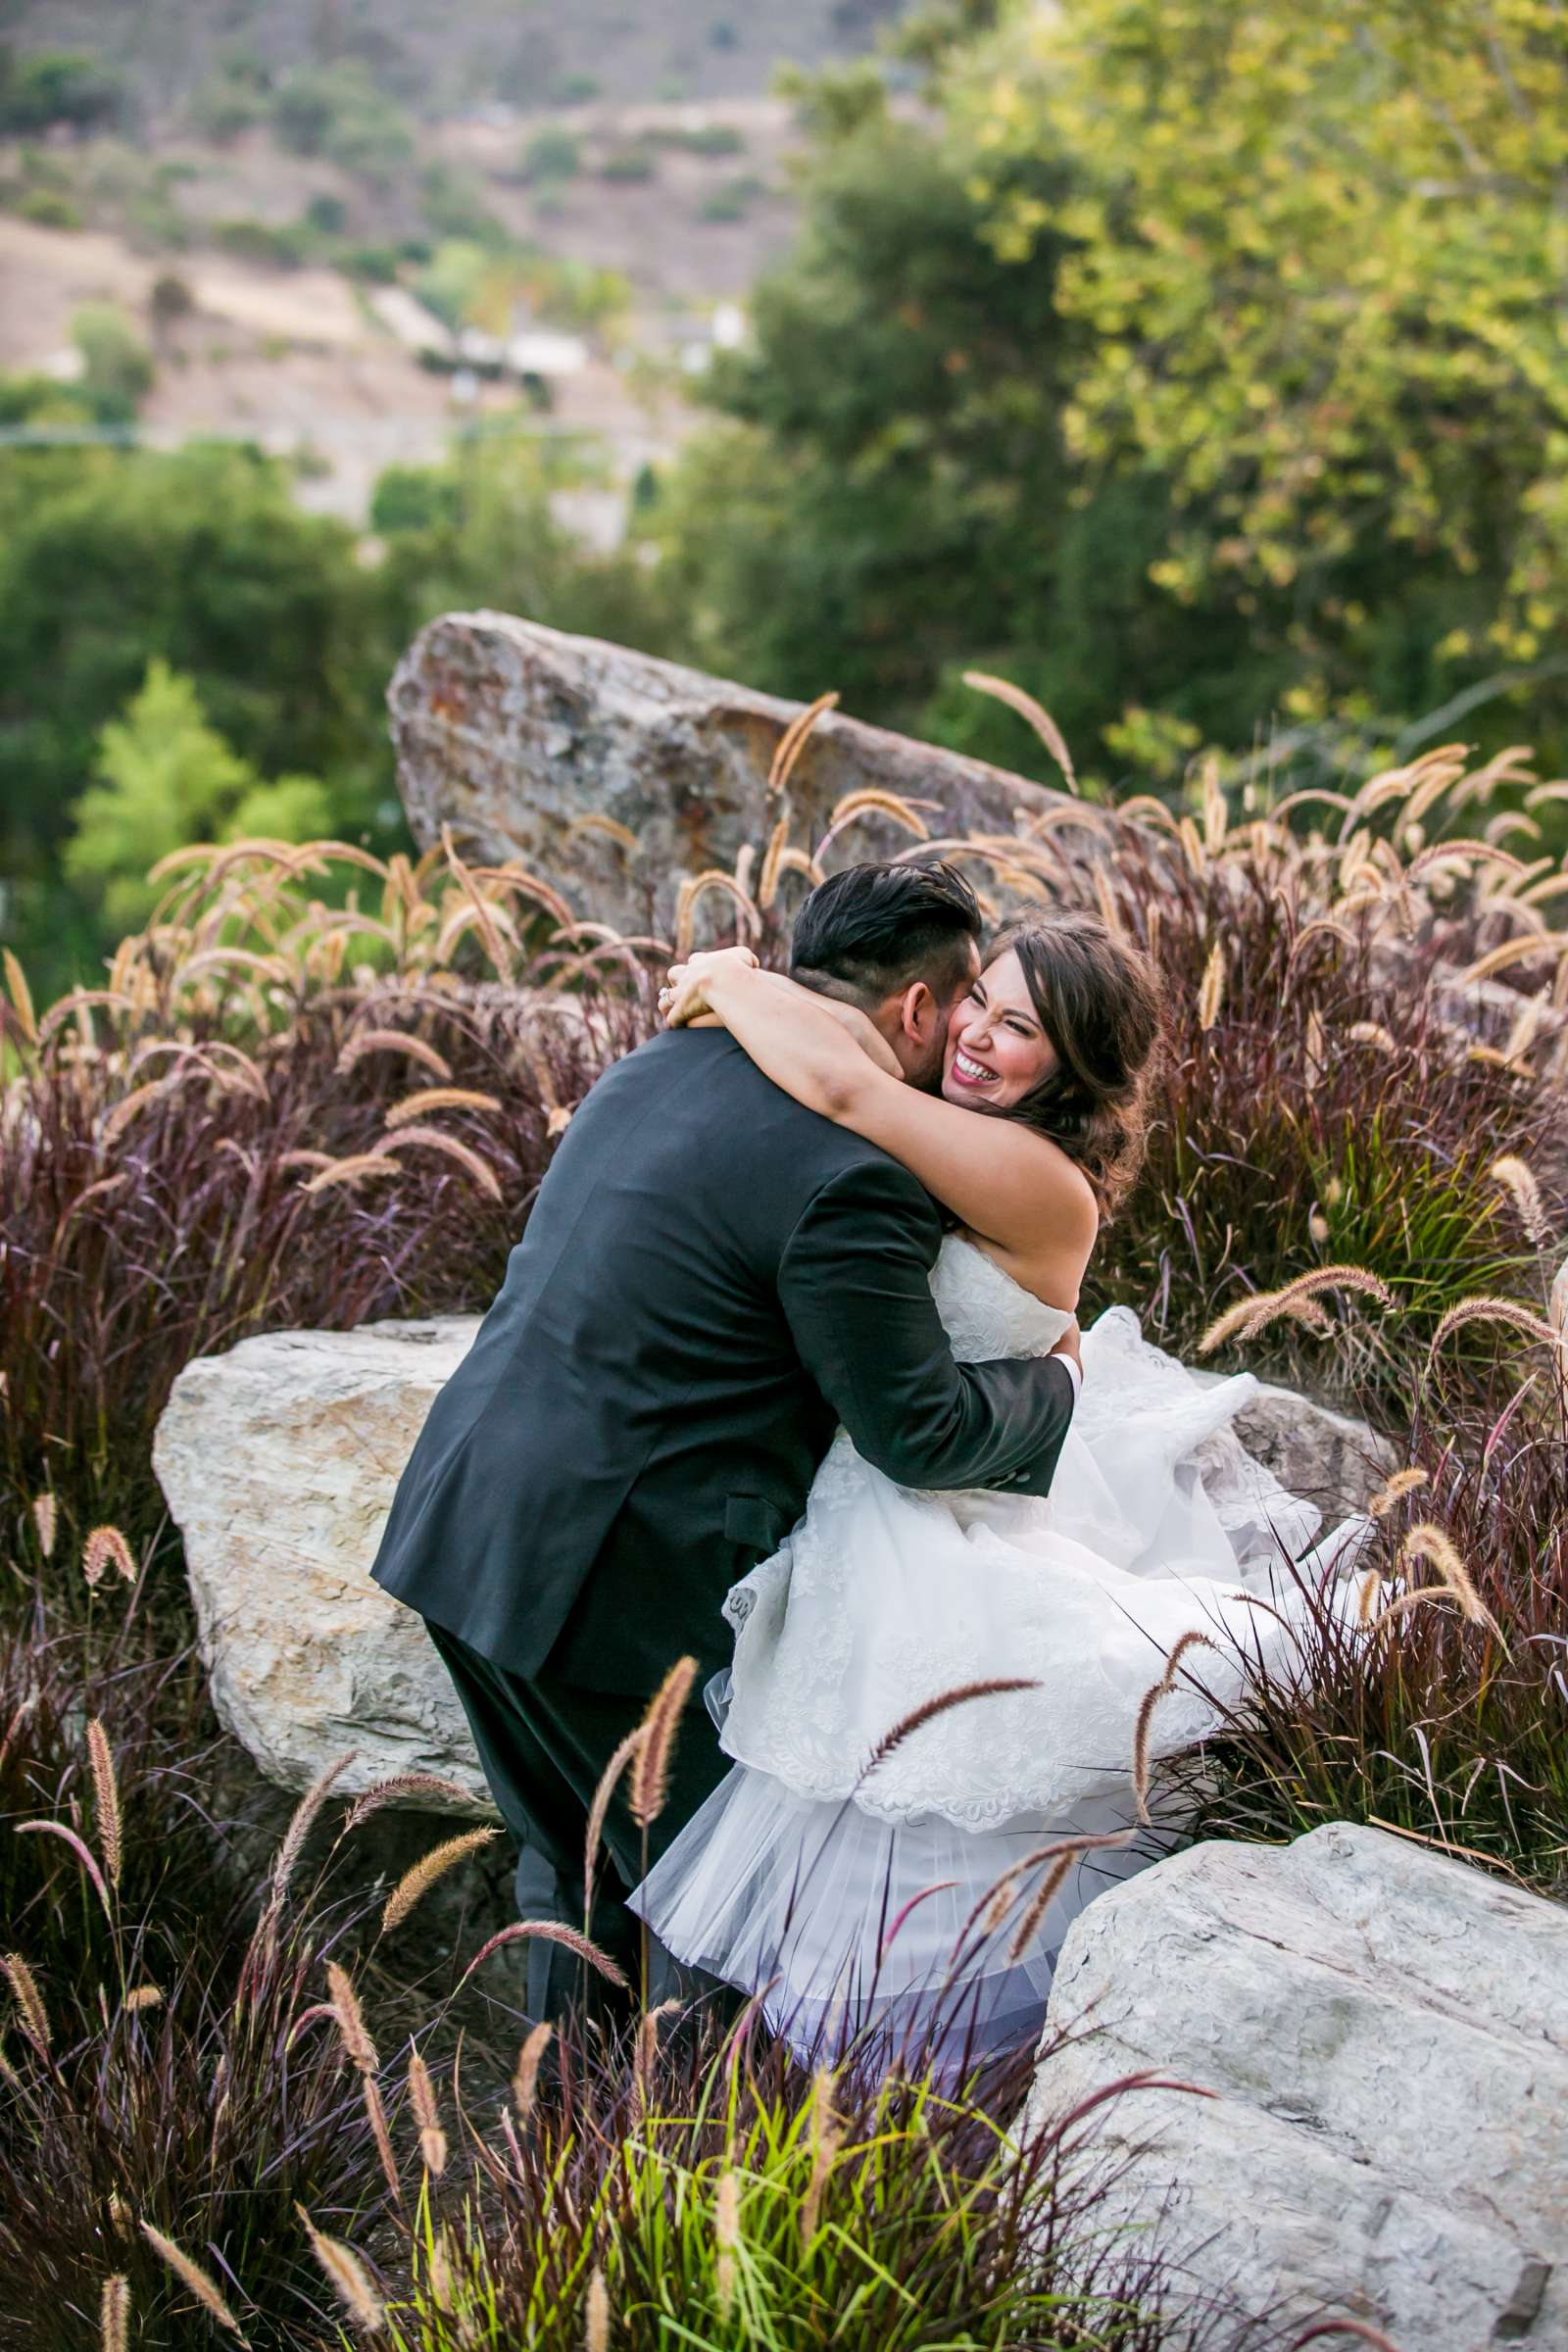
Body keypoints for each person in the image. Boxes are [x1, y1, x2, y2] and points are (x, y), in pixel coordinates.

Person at [628, 910, 1374, 2064]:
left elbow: (842, 1090)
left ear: (1070, 1070)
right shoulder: (966, 1134)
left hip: (948, 1507)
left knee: (926, 1832)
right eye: (978, 998)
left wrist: (730, 975)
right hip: (886, 1497)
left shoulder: (1035, 1175)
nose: (972, 1033)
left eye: (1017, 1027)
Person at [368, 859, 1083, 2020]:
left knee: (580, 1881)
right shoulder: (855, 1173)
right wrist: (1052, 1389)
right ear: (914, 1010)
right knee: (728, 1925)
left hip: (462, 1524)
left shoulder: (661, 1059)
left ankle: (569, 2171)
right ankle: (703, 2181)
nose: (967, 1035)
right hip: (609, 1586)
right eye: (964, 1006)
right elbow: (917, 1428)